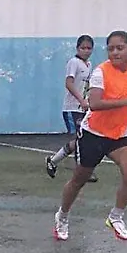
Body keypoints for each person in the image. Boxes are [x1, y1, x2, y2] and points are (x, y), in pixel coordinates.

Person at [52, 30, 127, 242]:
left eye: (120, 48)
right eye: (110, 48)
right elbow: (94, 104)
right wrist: (126, 103)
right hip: (94, 133)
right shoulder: (100, 73)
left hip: (122, 133)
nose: (114, 52)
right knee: (79, 179)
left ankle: (116, 216)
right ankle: (62, 216)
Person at [46, 34, 97, 182]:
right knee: (81, 140)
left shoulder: (88, 65)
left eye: (89, 48)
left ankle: (53, 161)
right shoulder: (74, 63)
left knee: (82, 140)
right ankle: (81, 172)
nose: (86, 51)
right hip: (71, 108)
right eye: (83, 48)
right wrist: (80, 100)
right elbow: (69, 83)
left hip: (83, 108)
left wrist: (88, 102)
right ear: (77, 48)